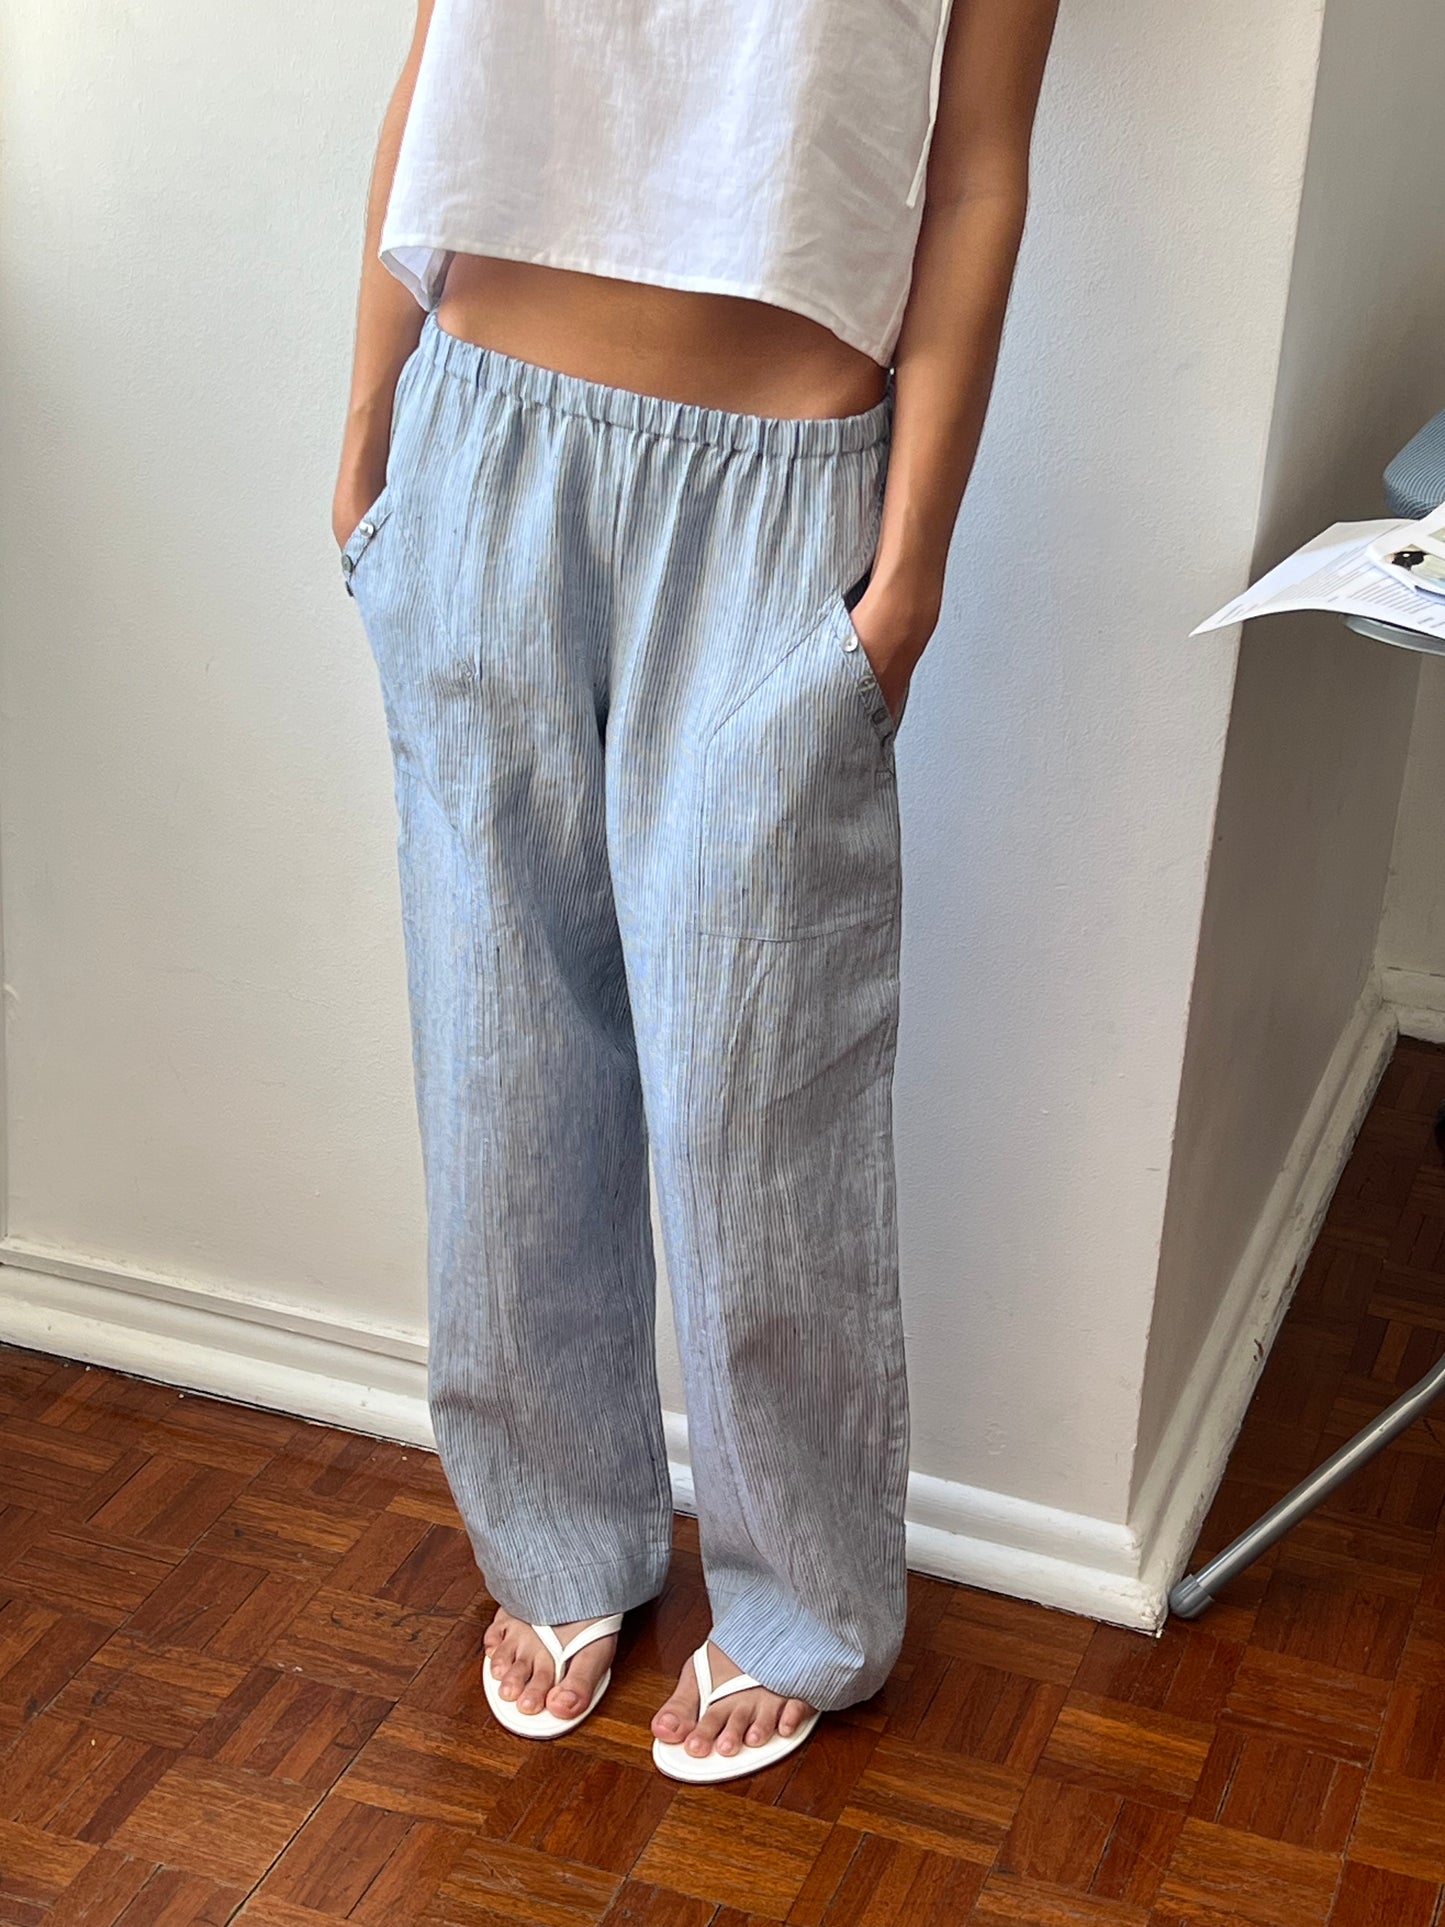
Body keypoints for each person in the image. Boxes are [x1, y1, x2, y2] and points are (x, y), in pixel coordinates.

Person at [333, 0, 1059, 1784]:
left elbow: (973, 172)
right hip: (481, 435)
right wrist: (365, 417)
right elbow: (440, 60)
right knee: (501, 1062)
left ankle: (805, 1603)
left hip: (779, 499)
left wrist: (913, 568)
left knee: (765, 1094)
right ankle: (555, 1537)